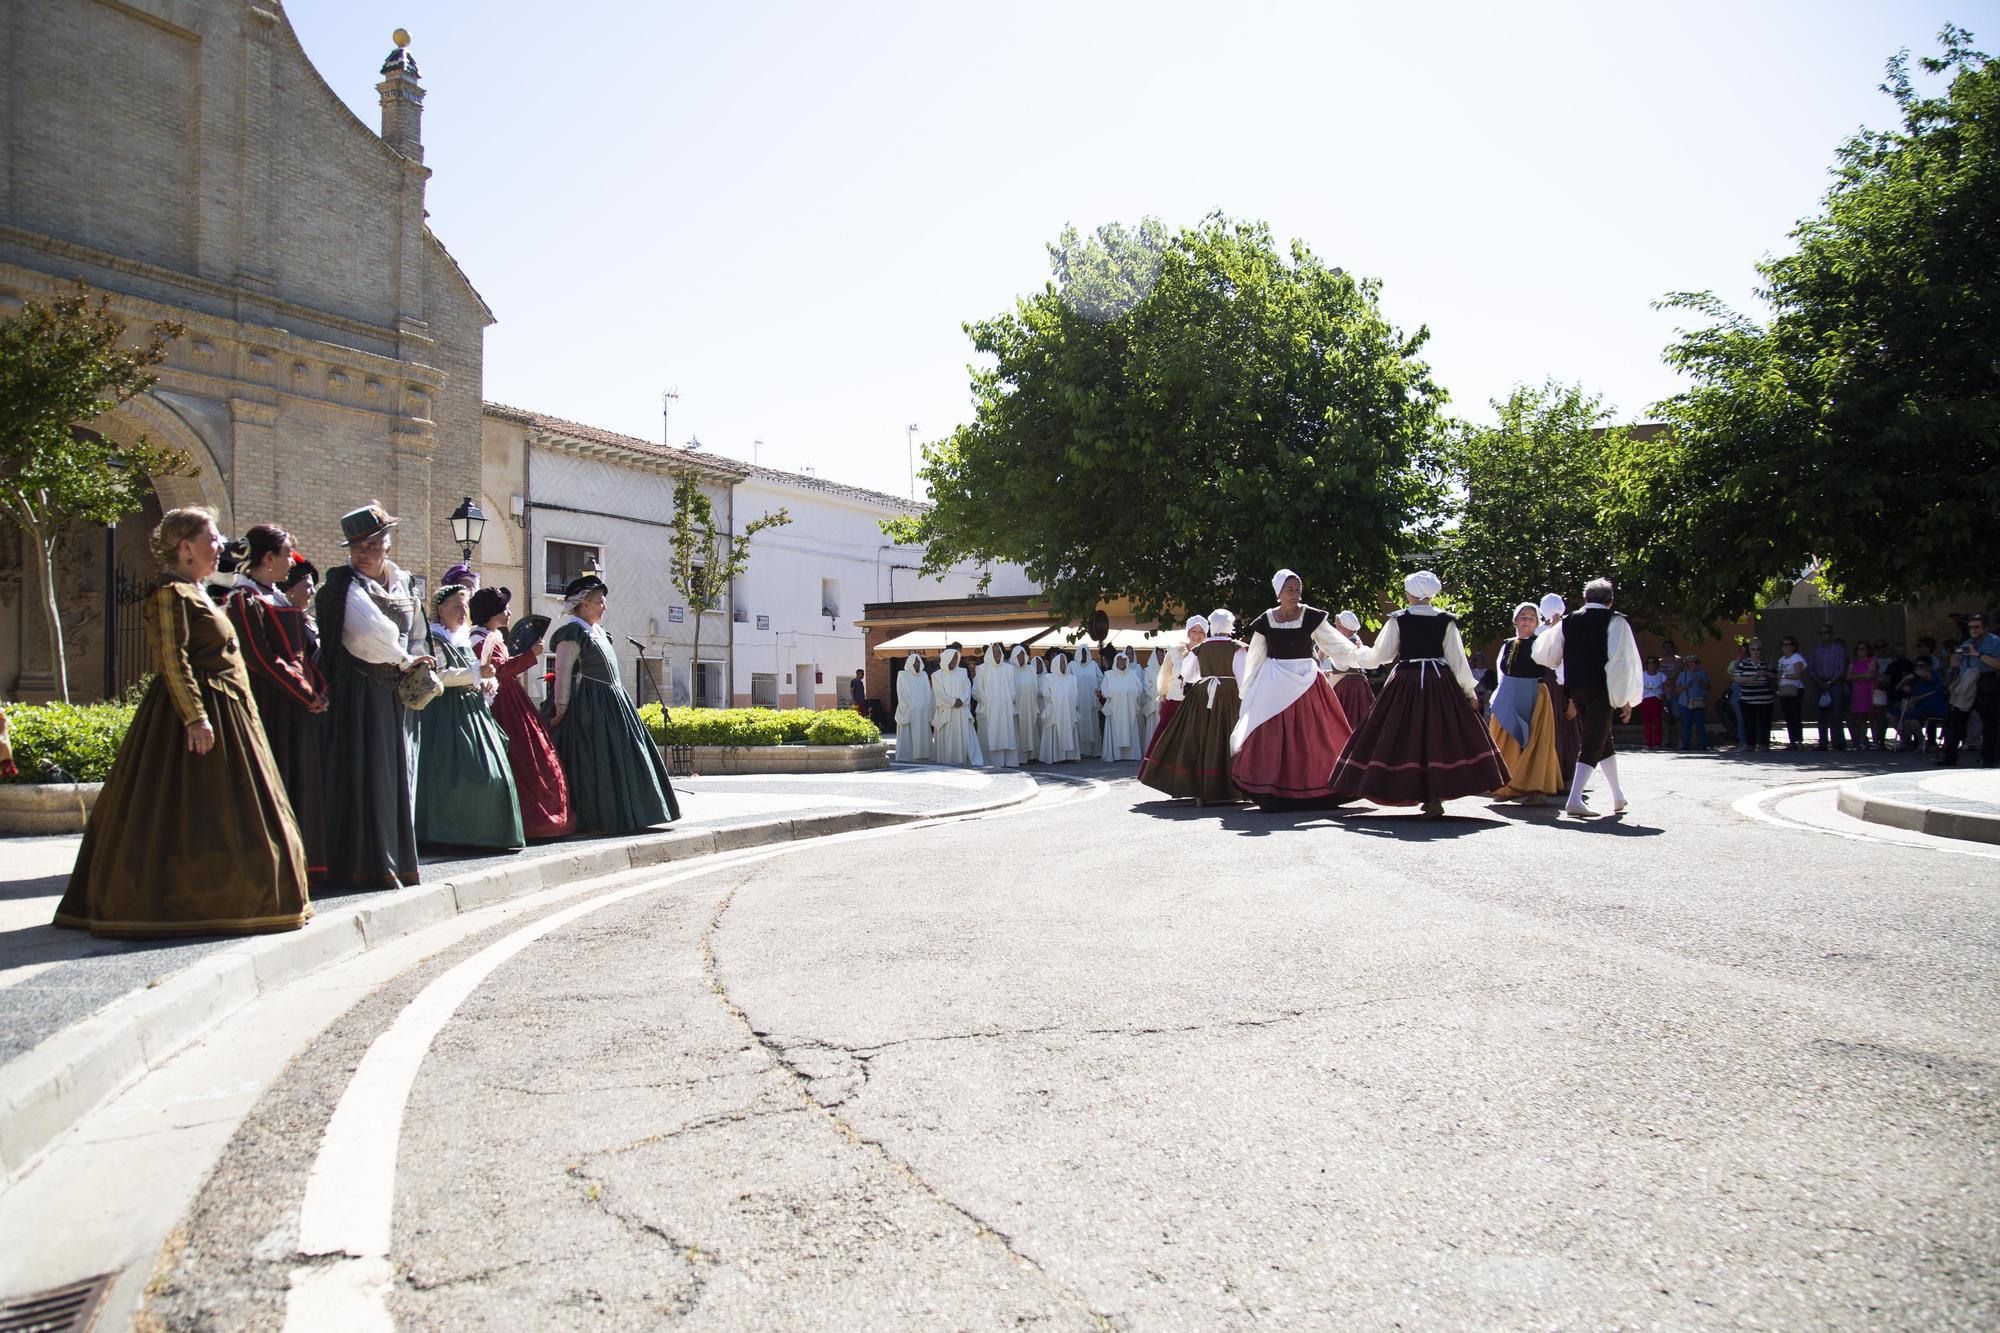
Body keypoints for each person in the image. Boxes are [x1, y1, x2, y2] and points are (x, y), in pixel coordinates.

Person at [56, 507, 310, 937]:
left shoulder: (198, 590)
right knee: (182, 811)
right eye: (212, 539)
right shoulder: (170, 594)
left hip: (228, 712)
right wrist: (195, 717)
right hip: (197, 717)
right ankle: (179, 902)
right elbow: (172, 659)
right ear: (185, 547)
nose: (220, 547)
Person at [316, 502, 433, 892]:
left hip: (394, 693)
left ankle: (395, 859)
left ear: (387, 543)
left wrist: (416, 659)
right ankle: (365, 864)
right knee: (366, 774)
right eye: (356, 548)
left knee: (399, 772)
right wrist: (408, 661)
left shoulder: (403, 584)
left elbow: (417, 630)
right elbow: (372, 636)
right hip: (359, 694)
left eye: (370, 546)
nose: (363, 555)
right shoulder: (344, 586)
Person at [1328, 572, 1506, 818]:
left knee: (1399, 735)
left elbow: (1382, 656)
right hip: (1439, 681)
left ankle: (1405, 788)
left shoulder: (1399, 619)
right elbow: (1457, 659)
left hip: (1406, 680)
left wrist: (1358, 653)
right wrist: (1467, 689)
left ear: (1411, 594)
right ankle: (1434, 797)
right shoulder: (1445, 620)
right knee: (1437, 736)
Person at [224, 524, 328, 883]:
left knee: (299, 780)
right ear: (267, 558)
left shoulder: (276, 598)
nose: (290, 564)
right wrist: (305, 691)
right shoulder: (243, 599)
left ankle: (300, 864)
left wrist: (319, 688)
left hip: (296, 705)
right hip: (270, 705)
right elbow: (259, 657)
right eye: (286, 555)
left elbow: (301, 654)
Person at [549, 574, 681, 832]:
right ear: (584, 603)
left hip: (613, 703)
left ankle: (629, 813)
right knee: (593, 761)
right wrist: (561, 707)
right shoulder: (573, 633)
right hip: (590, 708)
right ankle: (599, 816)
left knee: (621, 756)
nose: (604, 606)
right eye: (599, 601)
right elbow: (563, 674)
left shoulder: (598, 632)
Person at [1228, 569, 1360, 809]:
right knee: (1272, 734)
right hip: (1275, 680)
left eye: (1297, 589)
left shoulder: (1310, 616)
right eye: (1289, 589)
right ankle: (1272, 788)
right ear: (1278, 592)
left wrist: (1362, 656)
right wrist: (1248, 689)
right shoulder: (1266, 620)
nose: (1294, 593)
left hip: (1307, 679)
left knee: (1315, 734)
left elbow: (1335, 644)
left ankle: (1321, 787)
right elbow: (1256, 656)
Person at [415, 584, 524, 849]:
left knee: (492, 774)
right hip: (442, 714)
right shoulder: (434, 639)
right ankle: (447, 833)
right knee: (449, 774)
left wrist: (486, 682)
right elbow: (437, 676)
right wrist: (475, 675)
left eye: (465, 606)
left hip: (473, 711)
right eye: (456, 606)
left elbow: (479, 673)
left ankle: (486, 832)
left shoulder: (464, 638)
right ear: (440, 609)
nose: (463, 612)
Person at [1532, 578, 1645, 816]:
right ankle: (1574, 800)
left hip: (1576, 688)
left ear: (1585, 599)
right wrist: (1625, 698)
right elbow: (1622, 662)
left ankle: (1617, 796)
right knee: (1594, 741)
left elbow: (1544, 652)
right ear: (1610, 600)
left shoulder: (1569, 621)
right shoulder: (1615, 620)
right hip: (1601, 689)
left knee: (1604, 740)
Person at [469, 586, 575, 838]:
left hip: (511, 699)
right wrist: (531, 655)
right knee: (519, 755)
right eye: (504, 608)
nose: (508, 612)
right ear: (492, 613)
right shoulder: (479, 639)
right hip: (498, 702)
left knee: (533, 754)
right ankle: (525, 820)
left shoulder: (492, 636)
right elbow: (497, 671)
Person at [1139, 609, 1243, 803]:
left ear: (1211, 627)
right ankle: (1232, 786)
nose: (1197, 634)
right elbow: (1244, 678)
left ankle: (1202, 786)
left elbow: (1189, 675)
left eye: (1202, 630)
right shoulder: (1238, 648)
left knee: (1201, 740)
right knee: (1228, 739)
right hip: (1227, 697)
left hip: (1202, 698)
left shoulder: (1200, 649)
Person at [1486, 603, 1565, 804]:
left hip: (1533, 693)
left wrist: (1555, 631)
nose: (1527, 621)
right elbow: (1501, 671)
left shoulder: (1541, 642)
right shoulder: (1507, 644)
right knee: (1506, 739)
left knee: (1534, 742)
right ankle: (1507, 786)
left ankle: (1534, 789)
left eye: (1531, 618)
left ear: (1537, 623)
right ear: (1515, 620)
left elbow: (1556, 658)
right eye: (1523, 617)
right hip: (1509, 693)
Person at [1938, 612, 2000, 768]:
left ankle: (1989, 758)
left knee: (1990, 723)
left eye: (1977, 627)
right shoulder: (1966, 642)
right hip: (1967, 684)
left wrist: (1977, 653)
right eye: (1971, 627)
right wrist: (1953, 663)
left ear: (1986, 628)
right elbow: (1959, 664)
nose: (1973, 630)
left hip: (1987, 684)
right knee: (1955, 722)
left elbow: (1997, 664)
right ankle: (1949, 757)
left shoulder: (1995, 642)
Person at [1147, 617, 1205, 756]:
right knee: (1167, 739)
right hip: (1175, 700)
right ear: (1188, 632)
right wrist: (1163, 695)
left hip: (1198, 703)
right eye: (1194, 631)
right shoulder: (1175, 650)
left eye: (1201, 631)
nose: (1197, 635)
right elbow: (1165, 675)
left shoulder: (1209, 652)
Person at [930, 647, 984, 765]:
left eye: (956, 658)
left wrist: (962, 700)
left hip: (962, 711)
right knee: (948, 739)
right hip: (947, 713)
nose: (954, 661)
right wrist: (953, 702)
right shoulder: (936, 675)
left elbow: (967, 688)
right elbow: (939, 693)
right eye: (952, 658)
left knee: (966, 738)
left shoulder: (962, 672)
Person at [1326, 610, 1376, 730]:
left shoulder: (1351, 642)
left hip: (1348, 686)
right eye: (1336, 625)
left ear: (1347, 627)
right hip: (1352, 684)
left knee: (1348, 719)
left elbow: (1342, 665)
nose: (1336, 627)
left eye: (1339, 625)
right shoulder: (1352, 641)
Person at [974, 644, 1020, 768]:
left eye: (998, 651)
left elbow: (1012, 688)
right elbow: (977, 689)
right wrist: (987, 702)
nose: (996, 654)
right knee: (989, 736)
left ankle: (1009, 762)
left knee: (1007, 734)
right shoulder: (981, 669)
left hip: (1005, 708)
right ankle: (990, 762)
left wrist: (1008, 701)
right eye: (993, 652)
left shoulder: (1008, 669)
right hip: (989, 709)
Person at [1731, 639, 1777, 752]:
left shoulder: (1766, 662)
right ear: (1749, 650)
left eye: (1758, 649)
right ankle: (1750, 744)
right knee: (1749, 722)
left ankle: (1764, 744)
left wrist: (1766, 673)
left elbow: (1776, 675)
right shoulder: (1743, 663)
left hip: (1765, 699)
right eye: (1753, 649)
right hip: (1748, 699)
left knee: (1765, 722)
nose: (1756, 652)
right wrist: (1751, 678)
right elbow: (1736, 678)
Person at [1893, 657, 1948, 752]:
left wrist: (1904, 680)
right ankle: (1905, 740)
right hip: (1918, 707)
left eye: (1921, 665)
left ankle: (1922, 742)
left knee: (1909, 716)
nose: (1918, 668)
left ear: (1929, 667)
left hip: (1933, 706)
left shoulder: (1934, 675)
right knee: (1892, 714)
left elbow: (1921, 673)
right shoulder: (1916, 680)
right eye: (1916, 666)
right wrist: (1906, 688)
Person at [1100, 650, 1146, 761]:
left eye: (1124, 660)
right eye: (1119, 660)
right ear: (1115, 661)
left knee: (1131, 730)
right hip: (1115, 709)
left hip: (1129, 709)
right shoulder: (1109, 675)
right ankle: (1116, 755)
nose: (1121, 662)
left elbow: (1139, 689)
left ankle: (1131, 755)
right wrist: (1118, 694)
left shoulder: (1133, 674)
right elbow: (1104, 691)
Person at [1807, 625, 1848, 750]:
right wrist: (1820, 682)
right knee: (1820, 714)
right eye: (1821, 632)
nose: (1823, 635)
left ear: (1831, 634)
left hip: (1835, 683)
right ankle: (1823, 743)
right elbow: (1811, 669)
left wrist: (1830, 683)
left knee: (1836, 714)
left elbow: (1841, 669)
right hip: (1819, 684)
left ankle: (1838, 743)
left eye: (1826, 632)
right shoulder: (1815, 650)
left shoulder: (1838, 649)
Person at [1038, 653, 1080, 763]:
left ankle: (1069, 756)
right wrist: (1058, 699)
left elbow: (1075, 694)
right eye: (1061, 662)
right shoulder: (1048, 678)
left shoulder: (1072, 678)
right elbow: (1046, 693)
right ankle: (1055, 757)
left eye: (1064, 662)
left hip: (1068, 711)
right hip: (1054, 710)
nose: (1063, 664)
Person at [894, 652, 934, 762]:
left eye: (918, 662)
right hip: (908, 710)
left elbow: (928, 692)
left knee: (922, 733)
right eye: (915, 662)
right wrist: (906, 708)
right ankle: (907, 755)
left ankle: (923, 753)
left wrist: (928, 707)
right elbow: (901, 692)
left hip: (922, 711)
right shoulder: (903, 675)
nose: (917, 664)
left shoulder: (924, 675)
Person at [1774, 635, 1809, 749]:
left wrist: (1783, 675)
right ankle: (1791, 741)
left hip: (1795, 689)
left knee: (1795, 715)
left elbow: (1797, 675)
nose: (1786, 647)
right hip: (1784, 690)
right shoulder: (1781, 660)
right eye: (1784, 645)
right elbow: (1778, 674)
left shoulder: (1796, 657)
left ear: (1793, 646)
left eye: (1788, 644)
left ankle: (1799, 741)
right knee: (1788, 716)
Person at [1071, 645, 1104, 759]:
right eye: (1082, 652)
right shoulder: (1072, 665)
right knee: (1079, 724)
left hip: (1091, 701)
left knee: (1093, 724)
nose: (1084, 655)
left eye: (1085, 653)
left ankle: (1094, 750)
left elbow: (1101, 678)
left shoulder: (1093, 665)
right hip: (1078, 701)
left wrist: (1098, 689)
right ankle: (1079, 751)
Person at [1674, 655, 1712, 751]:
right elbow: (1677, 690)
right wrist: (1684, 687)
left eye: (1696, 662)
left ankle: (1704, 745)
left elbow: (1708, 687)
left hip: (1698, 702)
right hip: (1685, 703)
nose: (1695, 664)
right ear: (1688, 664)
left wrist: (1701, 682)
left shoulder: (1703, 674)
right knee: (1687, 724)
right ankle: (1685, 745)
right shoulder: (1683, 675)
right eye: (1692, 662)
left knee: (1700, 724)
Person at [1846, 640, 1878, 751]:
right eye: (1858, 649)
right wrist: (1861, 677)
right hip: (1858, 692)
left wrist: (1857, 677)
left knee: (1872, 717)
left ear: (1867, 650)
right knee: (1861, 719)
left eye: (1863, 649)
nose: (1860, 651)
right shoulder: (1853, 662)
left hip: (1869, 690)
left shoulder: (1872, 661)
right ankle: (1862, 742)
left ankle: (1875, 741)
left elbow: (1870, 675)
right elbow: (1848, 676)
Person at [1010, 646, 1040, 756]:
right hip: (1018, 705)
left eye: (1022, 655)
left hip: (1030, 704)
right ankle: (1021, 756)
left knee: (1031, 729)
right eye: (1018, 655)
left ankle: (1032, 755)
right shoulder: (1010, 670)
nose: (1021, 658)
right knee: (1019, 731)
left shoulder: (1031, 669)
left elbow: (1035, 686)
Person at [1640, 657, 1669, 750]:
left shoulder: (1661, 675)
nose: (1651, 665)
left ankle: (1657, 743)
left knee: (1657, 722)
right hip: (1645, 700)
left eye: (1653, 663)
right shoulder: (1642, 675)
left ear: (1656, 664)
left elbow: (1666, 687)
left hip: (1657, 700)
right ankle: (1649, 743)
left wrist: (1665, 696)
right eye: (1648, 663)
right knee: (1647, 723)